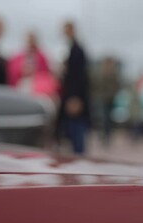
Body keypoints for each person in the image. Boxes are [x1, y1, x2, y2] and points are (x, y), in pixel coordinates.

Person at [57, 22, 90, 154]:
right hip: (73, 96)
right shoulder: (72, 49)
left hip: (75, 97)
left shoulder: (77, 50)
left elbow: (79, 76)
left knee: (77, 135)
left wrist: (75, 98)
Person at [7, 31, 60, 101]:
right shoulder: (19, 57)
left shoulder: (41, 56)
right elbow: (12, 71)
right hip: (23, 85)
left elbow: (46, 72)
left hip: (38, 87)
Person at [91, 57, 120, 146]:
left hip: (109, 99)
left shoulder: (113, 74)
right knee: (102, 118)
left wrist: (112, 93)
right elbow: (94, 85)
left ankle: (107, 136)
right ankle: (103, 135)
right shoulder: (99, 73)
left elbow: (116, 85)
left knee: (108, 119)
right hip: (100, 99)